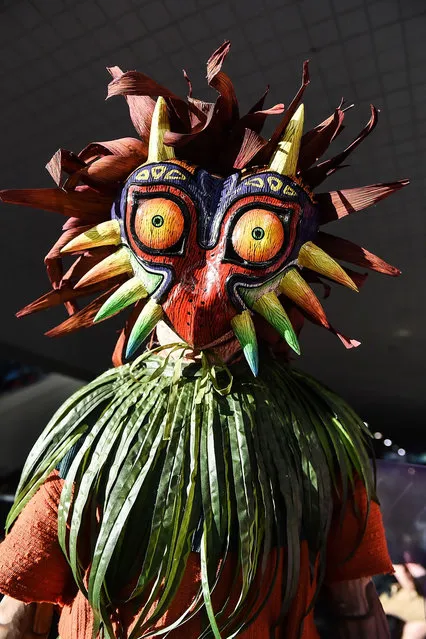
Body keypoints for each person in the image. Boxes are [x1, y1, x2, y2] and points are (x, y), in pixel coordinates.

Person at [0, 41, 407, 637]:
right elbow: (23, 606)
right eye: (158, 224)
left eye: (258, 237)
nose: (203, 300)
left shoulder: (318, 458)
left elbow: (354, 607)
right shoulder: (89, 454)